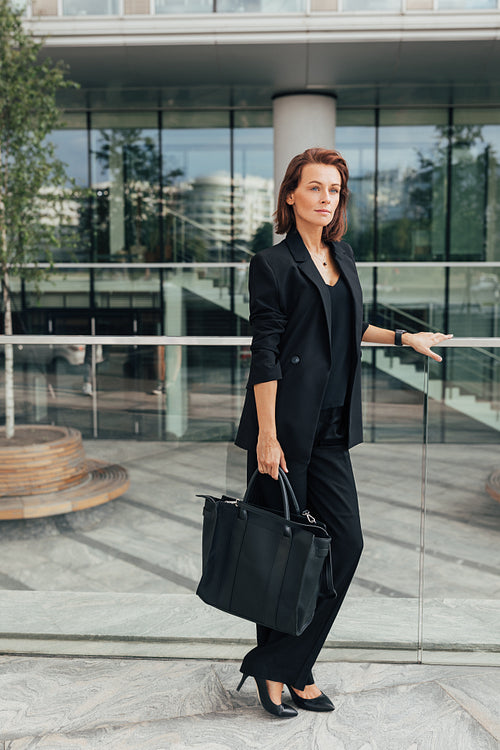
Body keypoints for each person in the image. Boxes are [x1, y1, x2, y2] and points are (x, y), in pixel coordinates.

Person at [234, 147, 452, 718]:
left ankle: (281, 665)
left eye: (334, 190)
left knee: (345, 544)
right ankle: (289, 673)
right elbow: (267, 354)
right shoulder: (273, 264)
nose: (327, 198)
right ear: (291, 196)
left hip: (331, 431)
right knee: (281, 554)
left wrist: (405, 339)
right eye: (315, 188)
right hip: (282, 434)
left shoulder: (343, 255)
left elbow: (353, 327)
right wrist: (266, 433)